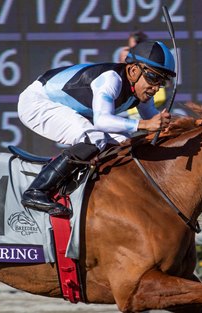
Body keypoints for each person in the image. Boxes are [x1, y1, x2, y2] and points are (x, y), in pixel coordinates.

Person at [17, 41, 175, 216]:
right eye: (153, 78)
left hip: (65, 106)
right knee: (94, 139)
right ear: (133, 70)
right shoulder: (111, 79)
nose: (155, 87)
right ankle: (36, 191)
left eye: (162, 81)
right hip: (37, 102)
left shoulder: (140, 90)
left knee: (125, 143)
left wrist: (175, 127)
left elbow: (152, 118)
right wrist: (145, 125)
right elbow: (102, 121)